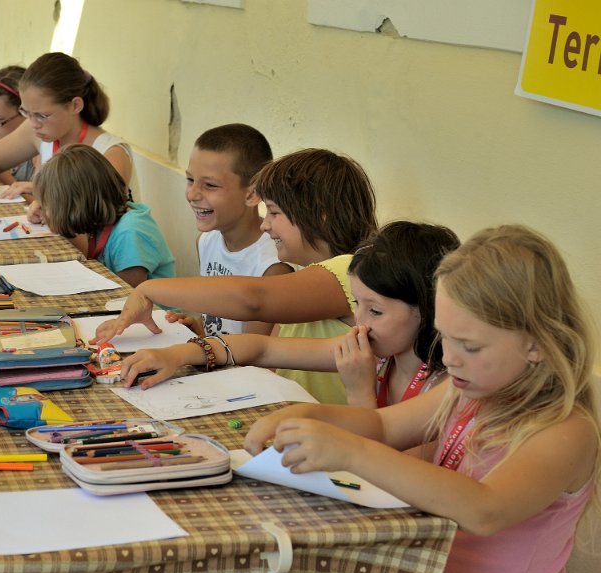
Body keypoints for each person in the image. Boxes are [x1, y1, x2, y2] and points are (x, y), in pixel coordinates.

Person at [244, 225, 599, 573]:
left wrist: (352, 451)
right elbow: (383, 425)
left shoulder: (566, 429)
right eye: (445, 337)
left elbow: (486, 509)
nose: (450, 357)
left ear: (536, 343)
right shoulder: (466, 392)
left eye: (470, 345)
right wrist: (303, 415)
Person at [95, 148, 378, 404]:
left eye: (275, 213)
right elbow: (266, 352)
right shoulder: (305, 273)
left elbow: (253, 299)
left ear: (320, 215)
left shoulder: (350, 272)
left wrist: (149, 289)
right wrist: (191, 345)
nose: (266, 225)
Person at [123, 221, 459, 408]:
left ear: (428, 308)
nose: (360, 322)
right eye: (357, 305)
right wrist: (177, 354)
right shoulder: (376, 351)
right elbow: (262, 348)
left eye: (376, 311)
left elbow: (376, 459)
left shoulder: (444, 386)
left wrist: (359, 392)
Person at [0, 52, 136, 207]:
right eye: (26, 112)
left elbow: (99, 220)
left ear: (75, 105)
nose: (33, 123)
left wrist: (44, 194)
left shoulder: (111, 153)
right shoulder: (36, 131)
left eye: (42, 115)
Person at [177, 123, 287, 337]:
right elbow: (215, 321)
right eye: (190, 180)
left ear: (252, 194)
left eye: (210, 185)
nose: (192, 194)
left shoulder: (272, 267)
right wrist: (197, 329)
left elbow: (253, 350)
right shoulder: (205, 241)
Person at [33, 144, 174, 288]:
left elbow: (127, 293)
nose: (45, 212)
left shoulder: (130, 233)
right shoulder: (100, 220)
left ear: (75, 205)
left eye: (48, 205)